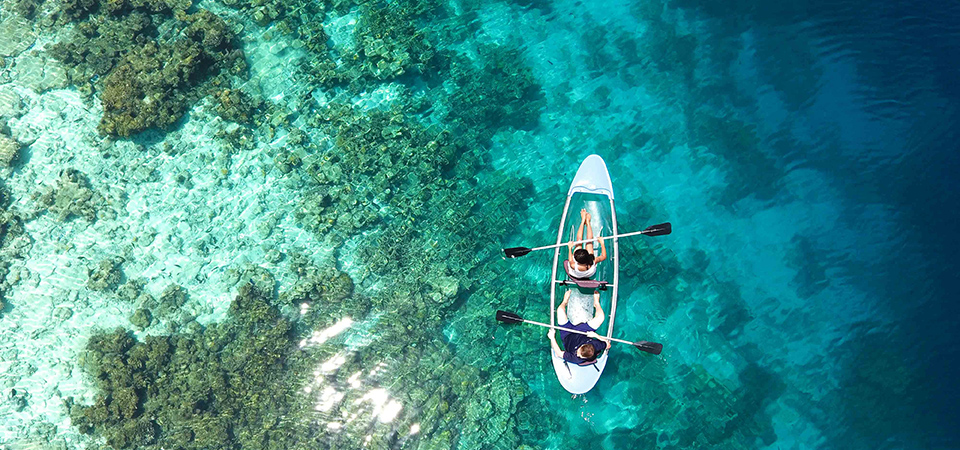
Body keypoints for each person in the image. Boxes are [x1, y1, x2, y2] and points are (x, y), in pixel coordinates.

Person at [547, 290, 612, 365]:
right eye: (579, 352)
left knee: (560, 311)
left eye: (580, 355)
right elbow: (608, 345)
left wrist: (552, 338)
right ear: (583, 345)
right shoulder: (596, 345)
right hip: (583, 332)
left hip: (567, 335)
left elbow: (559, 353)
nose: (577, 355)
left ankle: (566, 301)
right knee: (600, 317)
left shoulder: (576, 359)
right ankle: (595, 303)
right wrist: (595, 335)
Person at [567, 209, 607, 279]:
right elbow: (603, 256)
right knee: (589, 242)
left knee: (579, 242)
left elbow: (570, 260)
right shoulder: (593, 261)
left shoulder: (573, 265)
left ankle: (583, 221)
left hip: (577, 274)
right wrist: (602, 243)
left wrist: (570, 248)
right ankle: (588, 222)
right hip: (589, 274)